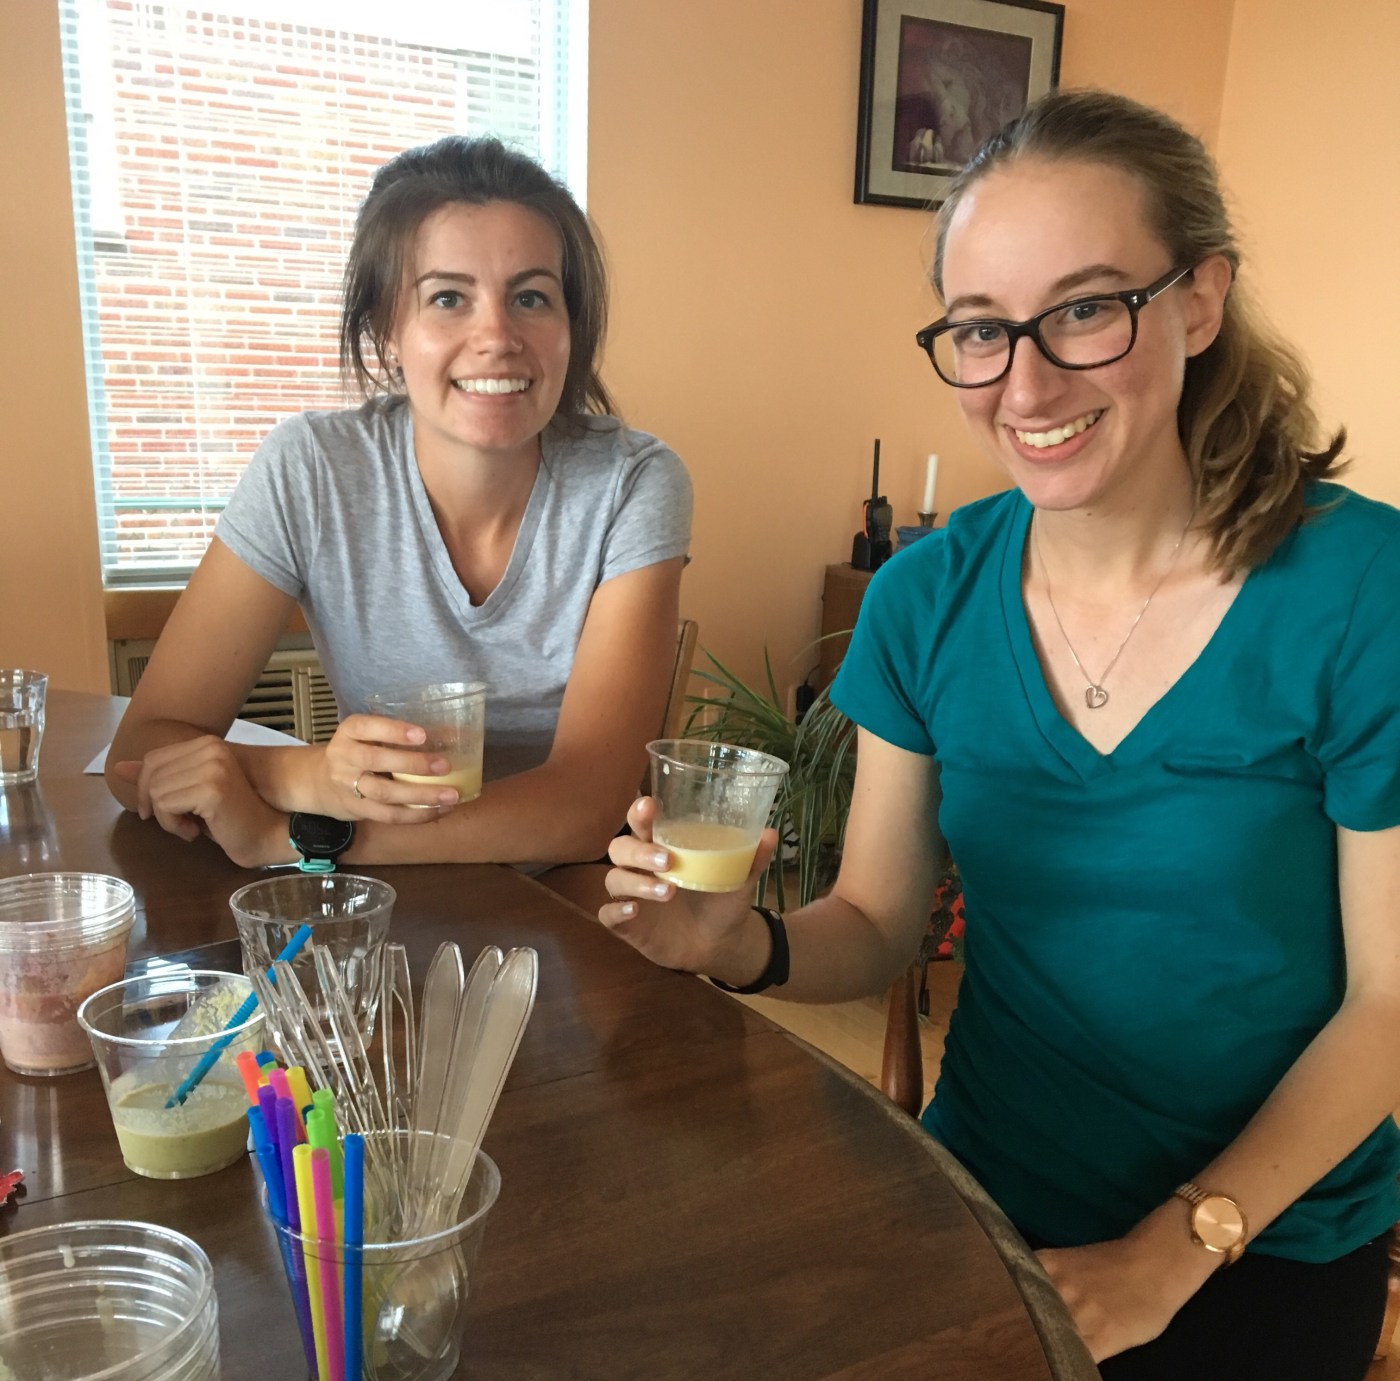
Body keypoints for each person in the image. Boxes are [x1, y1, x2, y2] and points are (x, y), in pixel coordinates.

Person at [598, 89, 1400, 1380]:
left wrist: (1169, 1252)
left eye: (1084, 310)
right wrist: (735, 941)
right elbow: (876, 920)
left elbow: (1387, 1002)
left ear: (1198, 300)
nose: (1023, 383)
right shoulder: (925, 598)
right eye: (980, 328)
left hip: (1264, 1237)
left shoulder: (1361, 590)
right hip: (983, 1199)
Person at [106, 135, 692, 876]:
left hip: (568, 892)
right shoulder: (311, 470)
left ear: (571, 326)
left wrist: (298, 838)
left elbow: (584, 806)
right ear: (387, 328)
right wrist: (309, 776)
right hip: (381, 898)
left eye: (531, 297)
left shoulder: (635, 482)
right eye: (448, 298)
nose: (497, 337)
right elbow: (139, 756)